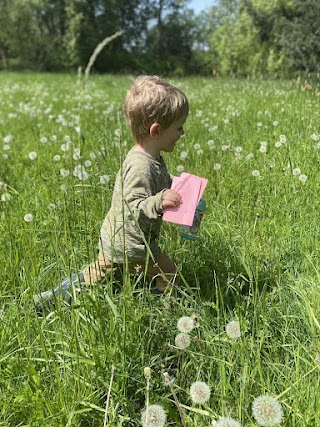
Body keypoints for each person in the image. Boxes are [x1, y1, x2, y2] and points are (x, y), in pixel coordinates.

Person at [36, 75, 189, 306]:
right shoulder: (141, 165)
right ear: (156, 131)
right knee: (169, 274)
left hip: (115, 239)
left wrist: (180, 189)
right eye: (178, 128)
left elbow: (157, 183)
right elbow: (134, 203)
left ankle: (51, 300)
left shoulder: (148, 157)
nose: (182, 134)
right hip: (134, 245)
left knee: (94, 275)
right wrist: (159, 202)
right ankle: (159, 310)